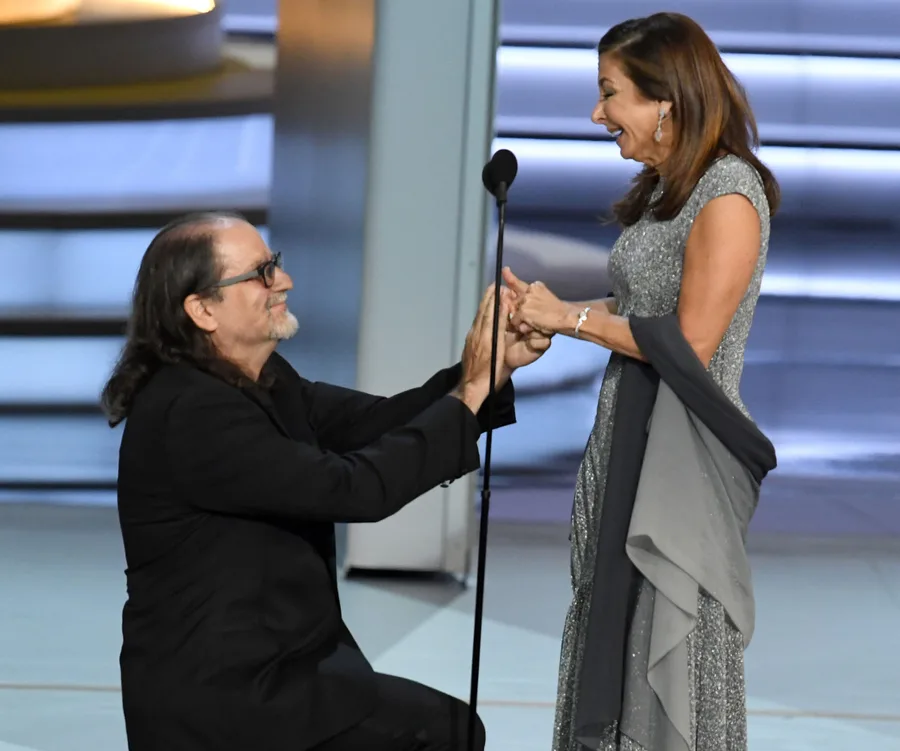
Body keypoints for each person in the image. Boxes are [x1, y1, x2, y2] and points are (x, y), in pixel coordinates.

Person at [99, 211, 552, 751]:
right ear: (202, 310)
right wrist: (471, 394)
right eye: (259, 274)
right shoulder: (191, 412)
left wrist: (486, 372)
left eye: (276, 265)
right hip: (228, 700)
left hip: (284, 673)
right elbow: (353, 488)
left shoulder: (260, 379)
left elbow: (378, 423)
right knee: (444, 736)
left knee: (449, 730)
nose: (283, 281)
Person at [502, 12, 781, 751]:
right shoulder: (667, 190)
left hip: (680, 464)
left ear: (666, 100)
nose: (597, 113)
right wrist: (549, 314)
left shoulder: (728, 193)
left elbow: (688, 341)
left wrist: (573, 319)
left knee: (667, 635)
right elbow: (639, 310)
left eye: (610, 93)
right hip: (626, 437)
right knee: (609, 621)